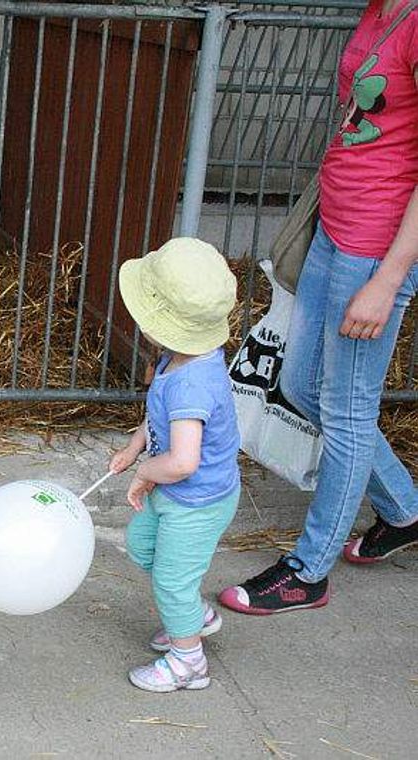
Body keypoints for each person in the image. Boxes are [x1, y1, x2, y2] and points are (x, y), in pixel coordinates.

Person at [219, 0, 418, 616]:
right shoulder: (381, 9)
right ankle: (406, 511)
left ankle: (308, 572)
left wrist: (387, 281)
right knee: (303, 385)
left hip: (375, 248)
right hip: (336, 228)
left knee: (348, 410)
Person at [109, 237, 241, 693]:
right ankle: (194, 616)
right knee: (142, 545)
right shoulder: (176, 360)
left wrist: (145, 472)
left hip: (197, 502)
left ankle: (188, 663)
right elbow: (157, 418)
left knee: (171, 579)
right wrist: (135, 447)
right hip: (177, 491)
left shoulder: (192, 386)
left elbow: (184, 461)